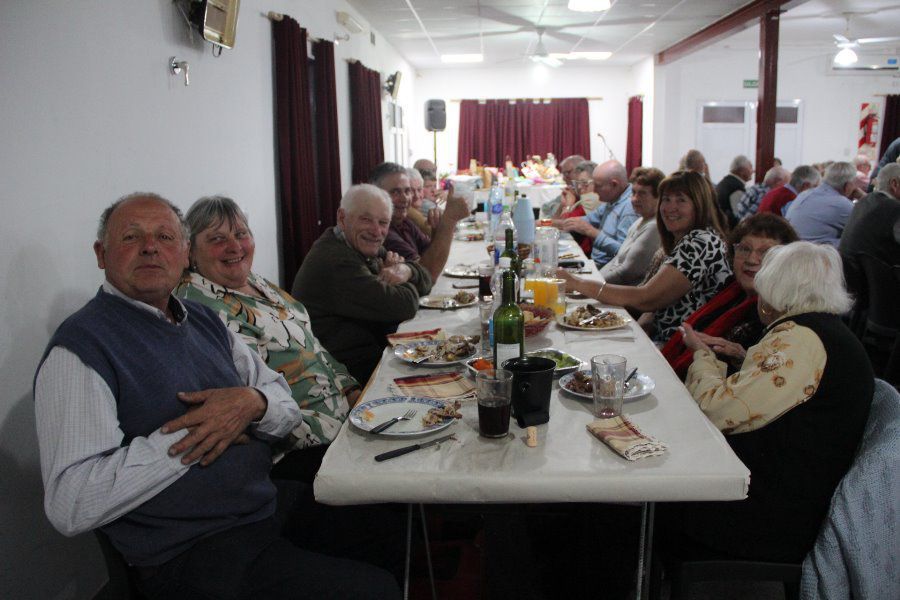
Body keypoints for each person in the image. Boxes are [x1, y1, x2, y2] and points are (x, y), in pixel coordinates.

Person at [34, 193, 400, 599]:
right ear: (102, 254)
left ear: (183, 251)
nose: (151, 247)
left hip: (260, 505)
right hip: (194, 547)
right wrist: (191, 436)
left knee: (386, 512)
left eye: (165, 237)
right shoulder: (82, 348)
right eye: (131, 238)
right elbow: (71, 502)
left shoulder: (203, 321)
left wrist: (251, 403)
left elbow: (281, 403)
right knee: (373, 589)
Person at [662, 242, 873, 564]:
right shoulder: (820, 330)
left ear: (774, 291)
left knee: (652, 486)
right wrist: (742, 356)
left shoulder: (801, 339)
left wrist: (702, 355)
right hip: (791, 496)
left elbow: (716, 410)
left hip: (767, 517)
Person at [174, 195, 361, 464]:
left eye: (241, 234)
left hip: (341, 416)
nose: (234, 246)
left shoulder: (253, 281)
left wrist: (352, 391)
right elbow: (254, 401)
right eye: (217, 239)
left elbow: (310, 343)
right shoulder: (202, 308)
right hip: (306, 443)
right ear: (190, 251)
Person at [559, 170, 731, 343]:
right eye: (666, 199)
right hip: (663, 337)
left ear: (699, 205)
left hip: (683, 346)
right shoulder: (684, 238)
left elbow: (647, 298)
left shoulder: (700, 242)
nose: (670, 208)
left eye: (681, 200)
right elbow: (653, 308)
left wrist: (577, 283)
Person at [292, 184, 432, 385]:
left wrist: (405, 270)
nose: (376, 231)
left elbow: (426, 279)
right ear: (342, 218)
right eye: (366, 219)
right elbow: (404, 306)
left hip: (372, 359)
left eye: (383, 222)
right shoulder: (335, 260)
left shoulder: (359, 245)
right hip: (346, 378)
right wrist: (404, 280)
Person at [662, 213, 799, 378]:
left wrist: (743, 359)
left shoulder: (780, 311)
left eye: (765, 252)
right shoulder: (732, 289)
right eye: (745, 248)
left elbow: (772, 377)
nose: (751, 259)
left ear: (785, 262)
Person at [371, 161, 469, 281]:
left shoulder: (405, 222)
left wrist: (436, 230)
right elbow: (426, 275)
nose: (405, 198)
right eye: (395, 192)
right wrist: (449, 220)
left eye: (407, 191)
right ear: (376, 195)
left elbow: (431, 254)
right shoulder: (382, 231)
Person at [555, 160, 638, 268]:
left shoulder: (629, 208)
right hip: (596, 265)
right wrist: (542, 223)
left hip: (607, 270)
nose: (594, 190)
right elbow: (583, 220)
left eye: (598, 186)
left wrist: (591, 231)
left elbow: (624, 255)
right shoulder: (613, 199)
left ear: (614, 184)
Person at [598, 167, 664, 285]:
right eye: (633, 192)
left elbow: (627, 273)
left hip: (626, 295)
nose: (634, 199)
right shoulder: (640, 220)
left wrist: (589, 286)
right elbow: (616, 260)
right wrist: (593, 280)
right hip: (612, 288)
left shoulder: (654, 227)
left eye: (642, 194)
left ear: (658, 196)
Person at [839, 162, 900, 268]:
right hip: (879, 281)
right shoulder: (895, 209)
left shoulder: (862, 203)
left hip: (851, 277)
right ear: (894, 184)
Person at [785, 161, 857, 247]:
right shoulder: (842, 204)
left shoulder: (804, 194)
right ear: (848, 185)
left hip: (790, 249)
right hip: (813, 255)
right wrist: (864, 197)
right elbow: (867, 227)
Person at [716, 155, 753, 227]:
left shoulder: (726, 182)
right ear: (742, 170)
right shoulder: (736, 188)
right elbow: (739, 216)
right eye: (750, 167)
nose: (753, 171)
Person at [406, 167, 437, 237]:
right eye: (411, 191)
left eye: (419, 190)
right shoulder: (410, 214)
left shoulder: (416, 212)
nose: (417, 195)